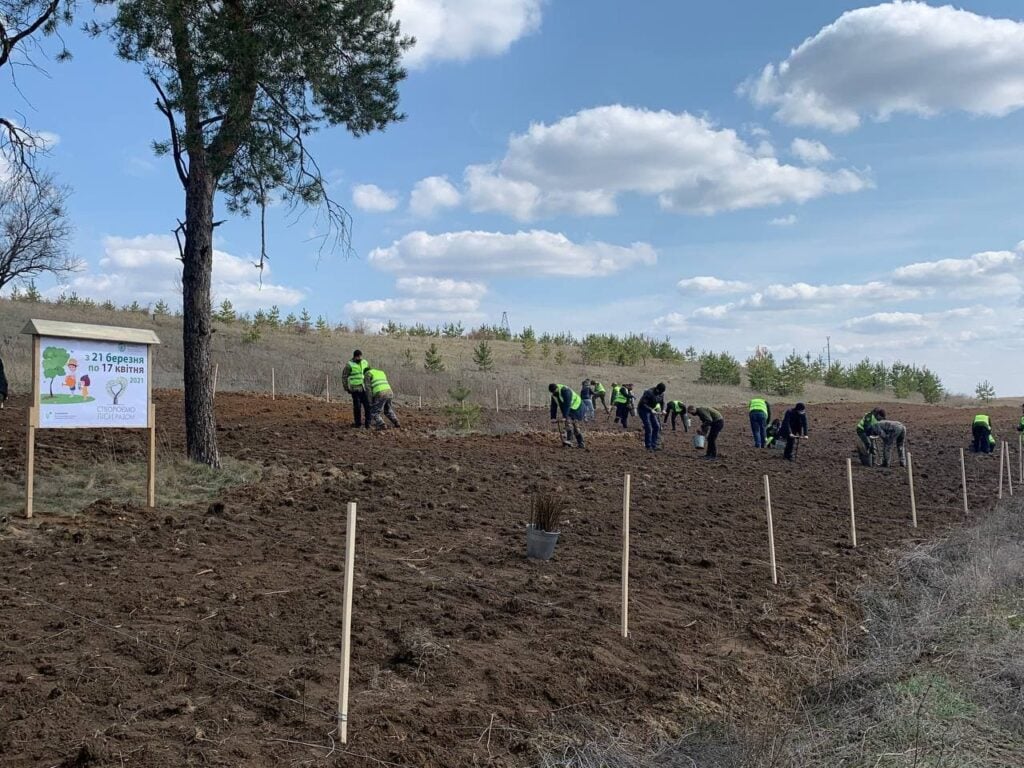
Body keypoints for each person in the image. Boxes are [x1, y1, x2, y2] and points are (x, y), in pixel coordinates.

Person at [549, 383, 585, 448]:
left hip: (577, 407)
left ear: (557, 388)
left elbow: (567, 404)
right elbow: (553, 406)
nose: (554, 393)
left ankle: (574, 441)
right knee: (571, 423)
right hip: (570, 408)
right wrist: (553, 417)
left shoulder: (565, 391)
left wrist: (565, 416)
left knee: (571, 423)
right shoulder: (554, 395)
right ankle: (576, 442)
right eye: (552, 392)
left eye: (554, 391)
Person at [342, 349, 371, 429]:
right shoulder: (349, 364)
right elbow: (344, 376)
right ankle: (358, 424)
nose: (360, 359)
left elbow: (369, 373)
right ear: (354, 357)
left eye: (361, 357)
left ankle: (368, 424)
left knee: (367, 406)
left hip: (365, 388)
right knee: (357, 407)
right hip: (355, 389)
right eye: (358, 358)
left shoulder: (365, 362)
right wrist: (346, 387)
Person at [637, 382, 666, 451]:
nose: (660, 393)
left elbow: (661, 403)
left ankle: (654, 445)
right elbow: (643, 403)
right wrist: (650, 409)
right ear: (657, 389)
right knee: (649, 427)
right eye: (659, 391)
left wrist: (663, 410)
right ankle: (648, 446)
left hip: (652, 411)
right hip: (643, 410)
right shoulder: (649, 392)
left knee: (657, 426)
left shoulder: (661, 394)